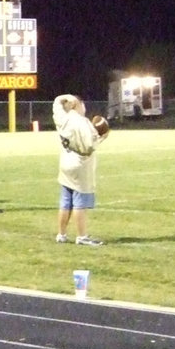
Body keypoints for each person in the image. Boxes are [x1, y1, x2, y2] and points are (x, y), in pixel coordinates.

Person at [53, 94, 108, 246]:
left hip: (65, 161)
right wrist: (102, 137)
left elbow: (57, 102)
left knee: (65, 202)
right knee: (80, 204)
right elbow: (89, 146)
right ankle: (82, 236)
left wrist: (67, 98)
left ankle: (61, 234)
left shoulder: (62, 117)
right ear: (78, 104)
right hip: (79, 166)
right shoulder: (82, 122)